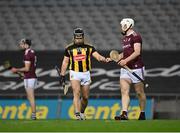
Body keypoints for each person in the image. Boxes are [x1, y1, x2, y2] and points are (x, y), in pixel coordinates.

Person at [59, 28, 110, 120]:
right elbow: (65, 62)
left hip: (86, 73)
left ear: (83, 37)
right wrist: (62, 75)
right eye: (76, 38)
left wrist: (103, 59)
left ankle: (82, 112)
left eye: (80, 38)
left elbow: (97, 56)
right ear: (74, 38)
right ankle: (77, 114)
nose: (78, 40)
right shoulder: (69, 48)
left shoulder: (89, 47)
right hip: (75, 72)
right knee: (76, 93)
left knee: (85, 97)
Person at [114, 18, 146, 120]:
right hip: (125, 69)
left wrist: (125, 61)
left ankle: (142, 113)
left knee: (139, 92)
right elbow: (126, 52)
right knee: (124, 91)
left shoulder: (136, 37)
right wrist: (117, 57)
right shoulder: (125, 38)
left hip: (136, 68)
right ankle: (124, 113)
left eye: (122, 25)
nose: (121, 27)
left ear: (127, 25)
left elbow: (137, 52)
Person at [11, 39, 37, 120]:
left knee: (31, 97)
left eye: (22, 44)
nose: (20, 45)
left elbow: (26, 68)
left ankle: (33, 115)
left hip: (30, 78)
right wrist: (23, 75)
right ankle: (33, 114)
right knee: (29, 97)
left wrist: (16, 70)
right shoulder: (32, 52)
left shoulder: (27, 54)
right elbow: (30, 68)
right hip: (30, 76)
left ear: (26, 45)